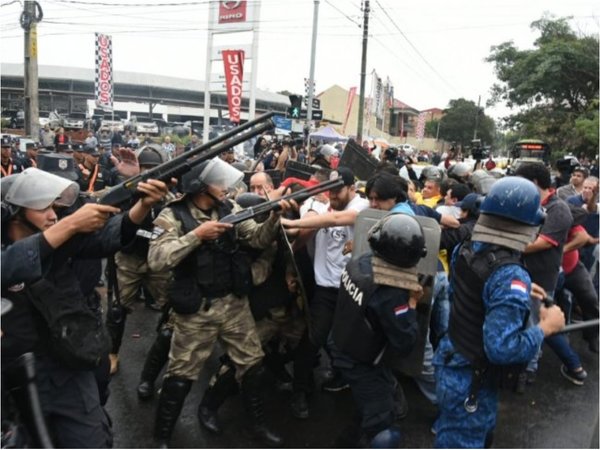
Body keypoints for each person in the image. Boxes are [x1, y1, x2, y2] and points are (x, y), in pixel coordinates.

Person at [1, 167, 168, 448]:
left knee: (91, 439)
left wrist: (141, 206)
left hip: (66, 367)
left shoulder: (58, 242)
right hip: (11, 378)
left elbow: (105, 239)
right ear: (14, 213)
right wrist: (70, 224)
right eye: (42, 208)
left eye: (55, 208)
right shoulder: (31, 244)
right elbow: (11, 266)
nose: (53, 215)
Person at [148, 157, 293, 448]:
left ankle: (257, 426)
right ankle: (162, 437)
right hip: (196, 311)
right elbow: (157, 260)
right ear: (200, 186)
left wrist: (275, 216)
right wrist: (197, 236)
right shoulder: (171, 216)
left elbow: (256, 238)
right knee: (180, 377)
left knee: (253, 365)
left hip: (233, 306)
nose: (225, 187)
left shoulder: (230, 208)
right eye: (217, 182)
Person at [433, 176, 566, 448]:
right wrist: (545, 328)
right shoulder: (509, 276)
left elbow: (468, 291)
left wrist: (516, 290)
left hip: (451, 358)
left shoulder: (466, 246)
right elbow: (502, 348)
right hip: (471, 379)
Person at [330, 214, 426, 448]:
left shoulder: (358, 263)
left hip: (342, 344)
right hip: (363, 363)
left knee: (364, 409)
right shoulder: (390, 294)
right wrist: (412, 303)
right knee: (382, 428)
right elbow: (405, 341)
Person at [281, 166, 369, 419]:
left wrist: (295, 221)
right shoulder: (320, 206)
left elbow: (337, 220)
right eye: (327, 190)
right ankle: (299, 390)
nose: (332, 195)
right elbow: (305, 238)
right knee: (311, 340)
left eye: (338, 190)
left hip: (353, 289)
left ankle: (360, 387)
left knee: (357, 341)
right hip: (326, 290)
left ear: (351, 188)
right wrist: (290, 265)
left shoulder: (361, 206)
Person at [516, 163, 588, 388]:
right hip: (524, 273)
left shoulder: (558, 209)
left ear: (536, 183)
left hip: (542, 277)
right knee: (535, 320)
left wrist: (508, 244)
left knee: (538, 324)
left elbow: (541, 243)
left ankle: (532, 369)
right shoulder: (532, 203)